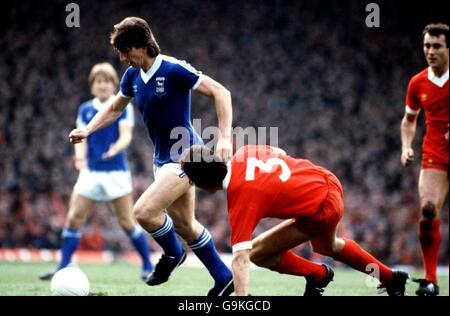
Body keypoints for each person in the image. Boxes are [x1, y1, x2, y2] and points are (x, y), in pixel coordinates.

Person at [68, 17, 234, 296]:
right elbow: (114, 109)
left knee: (143, 212)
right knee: (184, 224)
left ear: (142, 46)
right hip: (161, 160)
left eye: (125, 51)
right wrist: (88, 129)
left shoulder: (173, 69)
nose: (121, 58)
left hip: (185, 157)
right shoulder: (132, 76)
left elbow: (221, 92)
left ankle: (173, 254)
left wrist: (225, 137)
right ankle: (224, 277)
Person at [180, 145, 410, 296]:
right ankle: (391, 278)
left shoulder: (240, 197)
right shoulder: (245, 152)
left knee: (258, 253)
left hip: (320, 208)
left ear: (202, 184)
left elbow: (241, 259)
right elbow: (279, 153)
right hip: (326, 180)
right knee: (328, 246)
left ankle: (319, 274)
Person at [40, 62, 153, 281]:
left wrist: (116, 148)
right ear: (92, 86)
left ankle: (147, 266)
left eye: (107, 81)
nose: (103, 85)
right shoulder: (85, 109)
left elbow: (125, 136)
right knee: (73, 218)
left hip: (116, 173)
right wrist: (80, 156)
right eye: (98, 81)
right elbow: (81, 138)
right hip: (90, 173)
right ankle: (62, 268)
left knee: (127, 222)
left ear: (114, 85)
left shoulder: (123, 107)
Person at [400, 23, 449, 296]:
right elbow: (409, 119)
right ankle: (431, 280)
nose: (430, 51)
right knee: (428, 210)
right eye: (427, 46)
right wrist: (407, 146)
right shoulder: (418, 82)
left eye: (437, 46)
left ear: (448, 47)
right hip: (436, 154)